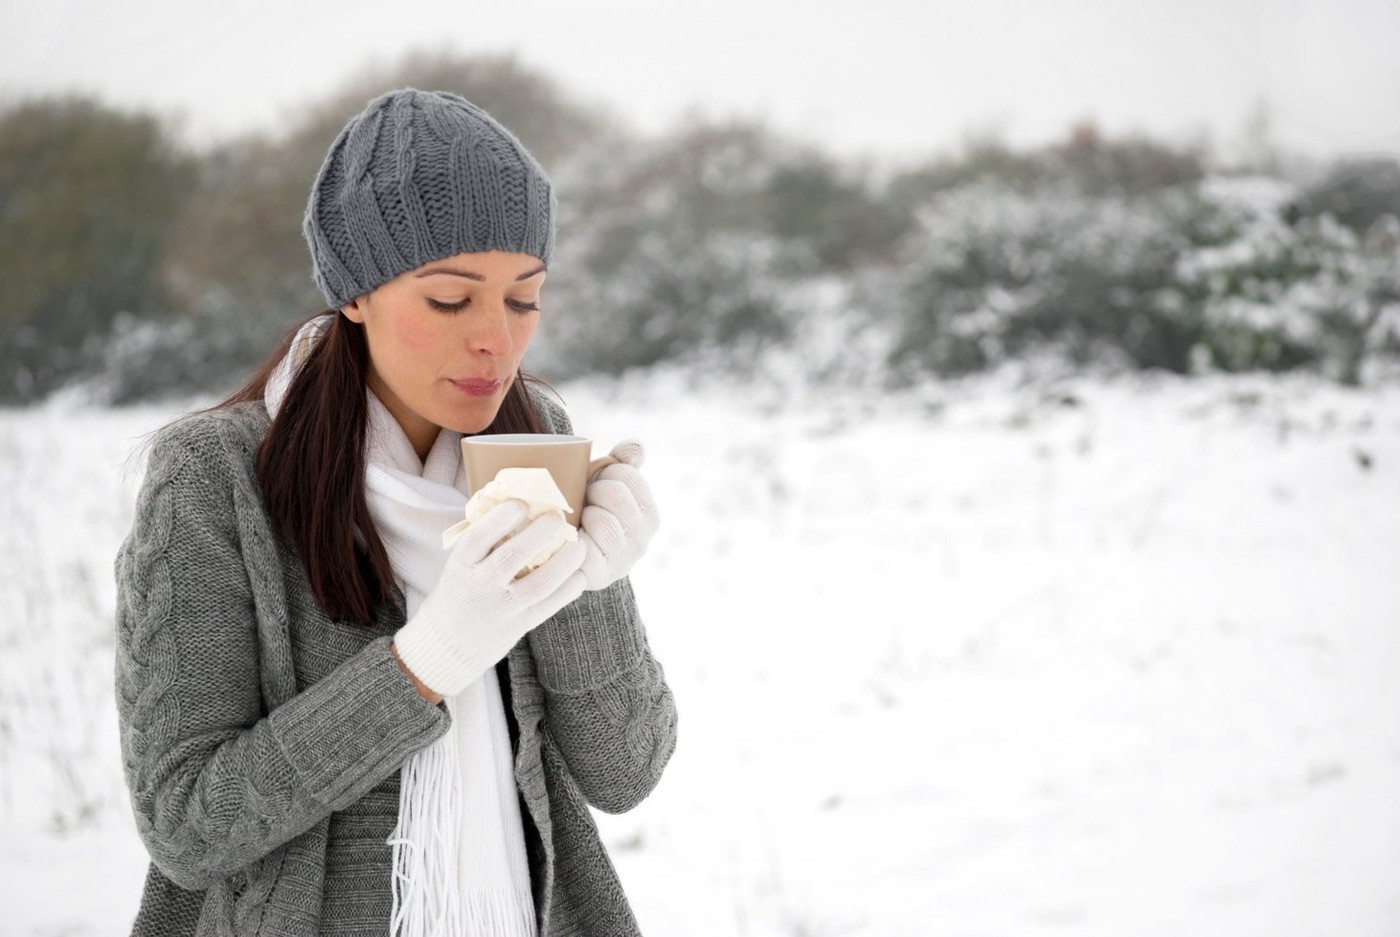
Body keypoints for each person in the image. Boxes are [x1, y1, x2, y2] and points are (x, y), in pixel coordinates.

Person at [114, 88, 677, 937]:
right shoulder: (213, 478)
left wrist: (589, 588)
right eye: (451, 300)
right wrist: (428, 659)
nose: (497, 338)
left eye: (524, 298)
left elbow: (625, 772)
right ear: (355, 293)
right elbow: (188, 823)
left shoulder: (538, 446)